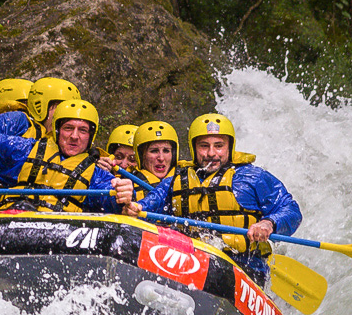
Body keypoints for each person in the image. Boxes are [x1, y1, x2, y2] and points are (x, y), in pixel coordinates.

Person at [119, 113, 301, 285]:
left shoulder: (253, 177)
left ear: (229, 148)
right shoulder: (176, 180)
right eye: (204, 146)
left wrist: (268, 223)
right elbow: (151, 204)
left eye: (219, 146)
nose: (211, 153)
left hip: (244, 267)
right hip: (191, 265)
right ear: (193, 148)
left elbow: (290, 209)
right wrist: (135, 208)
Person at [0, 99, 133, 213]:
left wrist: (122, 195)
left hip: (59, 234)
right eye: (68, 128)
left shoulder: (97, 175)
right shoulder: (23, 149)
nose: (75, 136)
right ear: (57, 131)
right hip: (12, 219)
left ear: (91, 137)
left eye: (83, 131)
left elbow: (112, 204)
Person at [129, 121, 179, 199]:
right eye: (154, 151)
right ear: (142, 156)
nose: (161, 158)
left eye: (166, 151)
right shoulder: (128, 184)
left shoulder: (185, 177)